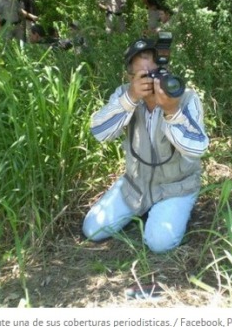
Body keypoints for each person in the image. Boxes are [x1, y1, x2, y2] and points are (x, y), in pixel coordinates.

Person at [83, 37, 209, 253]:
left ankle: (173, 208)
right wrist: (130, 98)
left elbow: (197, 149)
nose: (153, 81)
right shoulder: (124, 93)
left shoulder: (186, 97)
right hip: (136, 184)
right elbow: (99, 133)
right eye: (144, 76)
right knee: (92, 230)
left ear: (166, 69)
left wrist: (172, 111)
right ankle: (143, 208)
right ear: (130, 77)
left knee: (159, 243)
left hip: (176, 187)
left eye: (156, 73)